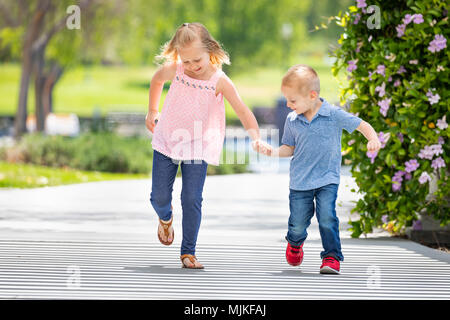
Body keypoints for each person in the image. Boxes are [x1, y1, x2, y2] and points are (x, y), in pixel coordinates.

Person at [145, 22, 269, 269]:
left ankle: (188, 252)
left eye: (196, 60)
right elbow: (157, 79)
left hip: (197, 145)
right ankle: (165, 217)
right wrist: (152, 111)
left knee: (191, 198)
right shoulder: (177, 70)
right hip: (168, 138)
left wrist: (255, 137)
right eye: (186, 60)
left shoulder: (219, 80)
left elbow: (242, 110)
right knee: (158, 196)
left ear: (210, 49)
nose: (190, 66)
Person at [255, 64, 381, 274]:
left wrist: (373, 138)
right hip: (300, 182)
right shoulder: (292, 120)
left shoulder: (333, 115)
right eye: (287, 99)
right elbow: (289, 148)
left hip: (327, 179)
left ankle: (331, 257)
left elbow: (361, 125)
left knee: (327, 217)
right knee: (297, 223)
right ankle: (295, 243)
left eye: (292, 100)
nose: (287, 104)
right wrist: (273, 152)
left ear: (312, 95)